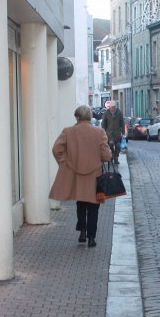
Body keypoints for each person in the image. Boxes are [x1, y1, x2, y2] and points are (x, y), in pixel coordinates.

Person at [50, 105, 113, 248]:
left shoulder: (68, 132)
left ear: (77, 117)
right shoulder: (100, 132)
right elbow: (107, 156)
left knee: (81, 203)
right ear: (89, 117)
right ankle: (91, 238)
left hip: (77, 175)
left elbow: (56, 149)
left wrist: (65, 163)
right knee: (94, 207)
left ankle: (82, 232)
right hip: (95, 176)